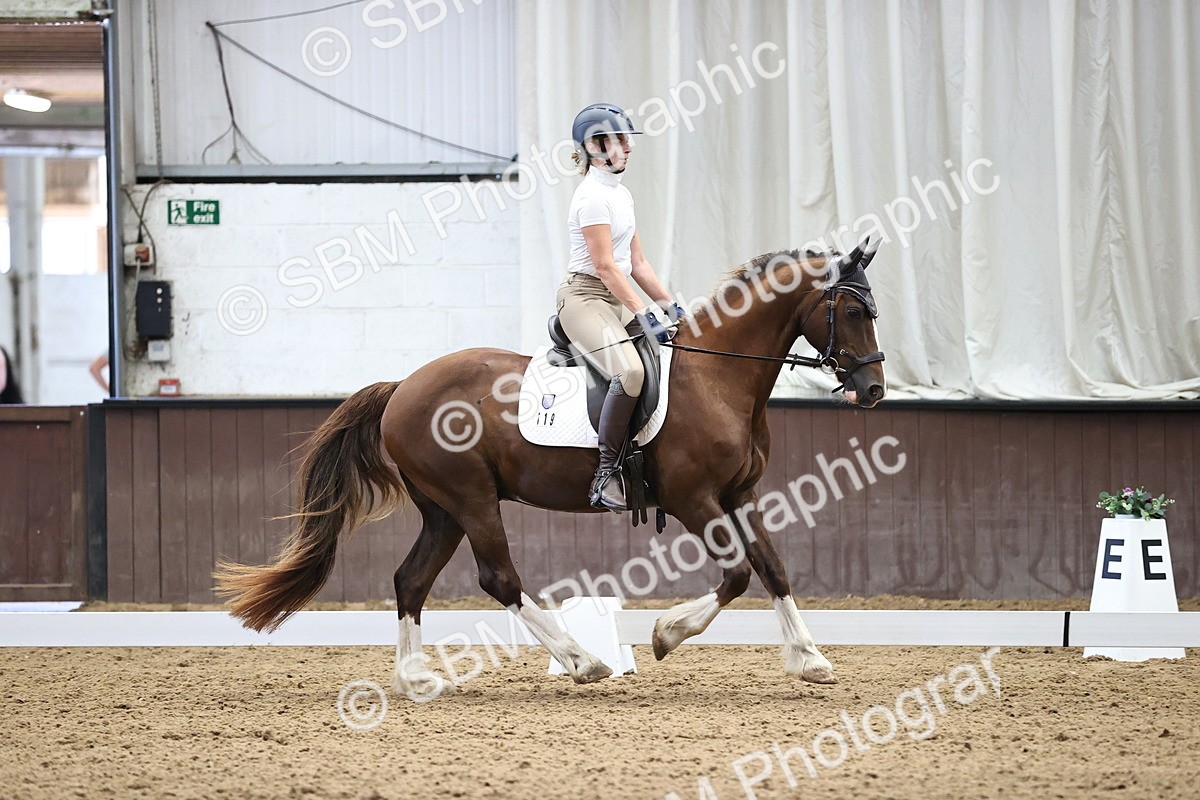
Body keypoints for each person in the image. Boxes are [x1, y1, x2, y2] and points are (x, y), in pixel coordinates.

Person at [558, 103, 686, 512]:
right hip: (583, 297)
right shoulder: (592, 198)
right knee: (628, 371)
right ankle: (605, 472)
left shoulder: (621, 194)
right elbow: (605, 267)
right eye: (619, 140)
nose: (629, 148)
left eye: (628, 140)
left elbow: (638, 264)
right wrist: (645, 314)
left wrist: (673, 310)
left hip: (614, 298)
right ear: (596, 146)